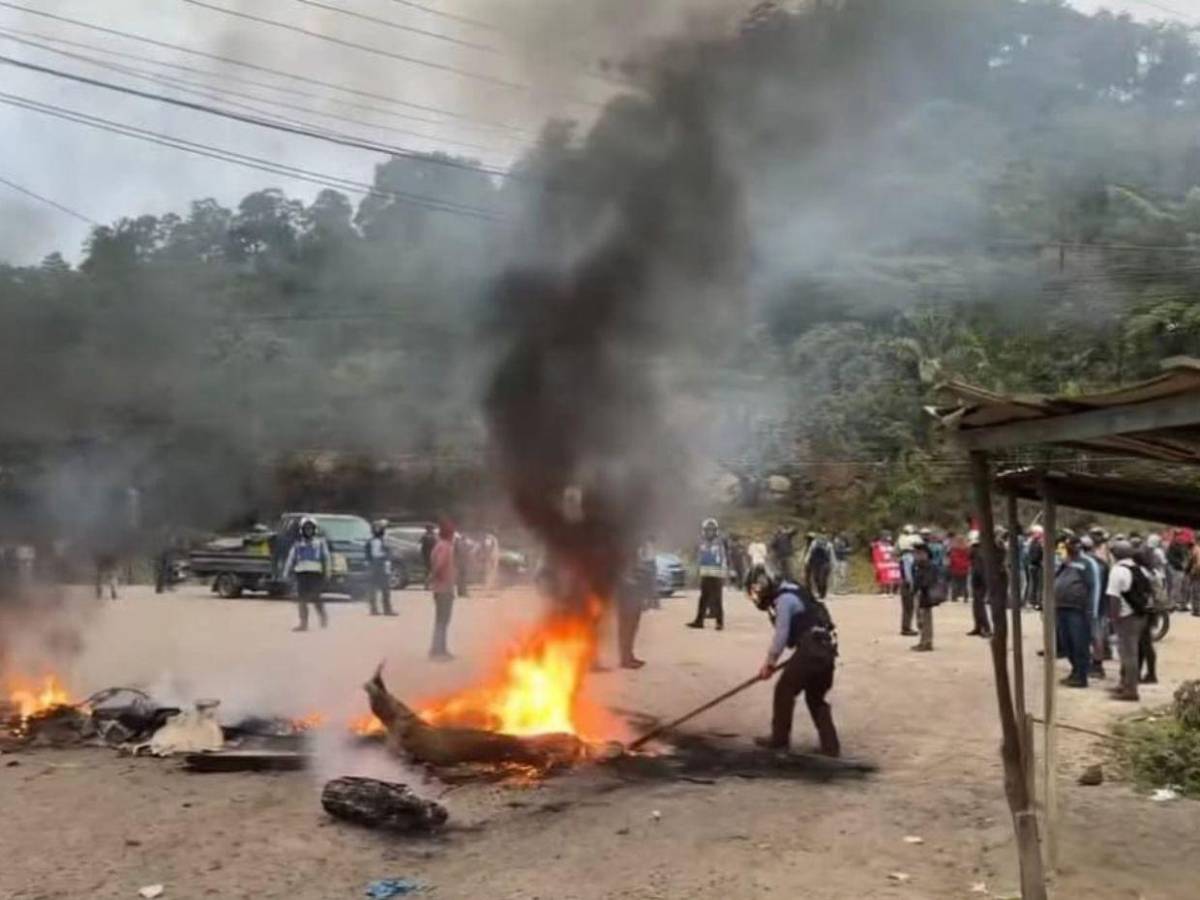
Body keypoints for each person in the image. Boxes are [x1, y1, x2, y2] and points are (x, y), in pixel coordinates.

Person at [749, 569, 840, 756]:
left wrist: (770, 663)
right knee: (815, 697)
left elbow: (781, 635)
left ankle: (779, 740)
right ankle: (831, 746)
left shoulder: (784, 601)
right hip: (826, 649)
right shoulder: (796, 591)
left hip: (811, 647)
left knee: (784, 689)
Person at [1106, 539, 1153, 702]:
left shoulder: (1117, 570)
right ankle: (1124, 684)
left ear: (1115, 554)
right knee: (1132, 652)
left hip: (1126, 617)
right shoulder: (1140, 569)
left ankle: (1131, 690)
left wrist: (1113, 619)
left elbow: (1114, 598)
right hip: (1141, 615)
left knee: (1128, 654)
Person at [1055, 536, 1095, 688]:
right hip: (1061, 607)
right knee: (1067, 643)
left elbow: (1093, 586)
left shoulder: (1086, 563)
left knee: (1079, 643)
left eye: (1074, 545)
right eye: (1069, 545)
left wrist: (1092, 609)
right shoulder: (1066, 563)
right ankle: (1074, 671)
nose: (1071, 547)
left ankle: (1081, 676)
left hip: (1078, 609)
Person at [282, 516, 332, 632]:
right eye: (306, 529)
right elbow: (291, 559)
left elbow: (326, 558)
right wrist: (286, 572)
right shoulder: (297, 545)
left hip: (315, 574)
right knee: (302, 600)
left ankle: (322, 616)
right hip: (301, 574)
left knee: (316, 597)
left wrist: (327, 572)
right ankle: (303, 623)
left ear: (314, 530)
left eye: (310, 529)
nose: (308, 531)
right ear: (302, 530)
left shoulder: (320, 543)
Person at [689, 518, 727, 630]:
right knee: (703, 599)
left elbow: (724, 558)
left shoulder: (720, 541)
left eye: (712, 530)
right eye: (707, 530)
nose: (709, 532)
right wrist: (697, 571)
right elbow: (699, 558)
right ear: (704, 530)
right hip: (705, 574)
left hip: (717, 574)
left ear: (716, 530)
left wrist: (726, 572)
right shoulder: (702, 542)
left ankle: (719, 623)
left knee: (717, 599)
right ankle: (699, 621)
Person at [617, 544, 650, 669]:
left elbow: (636, 570)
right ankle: (625, 658)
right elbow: (622, 575)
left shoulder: (635, 551)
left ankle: (629, 656)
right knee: (626, 628)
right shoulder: (623, 552)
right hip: (627, 595)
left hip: (633, 594)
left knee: (632, 628)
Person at [1080, 536, 1108, 678]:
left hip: (1093, 606)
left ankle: (1097, 666)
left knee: (1094, 636)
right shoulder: (1102, 563)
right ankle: (1095, 664)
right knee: (1097, 636)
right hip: (1101, 605)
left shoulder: (1088, 564)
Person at [429, 521, 457, 660]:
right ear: (450, 534)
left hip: (439, 588)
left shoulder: (438, 546)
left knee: (440, 621)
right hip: (444, 589)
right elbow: (439, 565)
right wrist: (438, 578)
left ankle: (440, 649)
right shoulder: (446, 547)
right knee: (443, 621)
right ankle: (438, 651)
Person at [910, 541, 940, 651]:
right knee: (920, 620)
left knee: (925, 619)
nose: (915, 555)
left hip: (926, 595)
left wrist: (920, 587)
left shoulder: (929, 566)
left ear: (925, 554)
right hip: (919, 594)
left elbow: (928, 581)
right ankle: (923, 640)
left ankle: (927, 642)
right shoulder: (918, 566)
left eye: (918, 553)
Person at [365, 519, 396, 617]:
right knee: (375, 588)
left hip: (379, 564)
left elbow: (388, 554)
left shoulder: (381, 541)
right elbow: (368, 556)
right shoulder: (371, 542)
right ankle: (376, 609)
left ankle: (384, 609)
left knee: (383, 589)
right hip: (376, 564)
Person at [966, 531, 993, 637]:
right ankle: (978, 626)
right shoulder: (978, 550)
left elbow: (980, 567)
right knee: (976, 604)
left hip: (980, 579)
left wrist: (979, 579)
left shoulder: (979, 551)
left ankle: (986, 628)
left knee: (979, 605)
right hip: (977, 578)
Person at [897, 528, 919, 637]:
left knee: (907, 607)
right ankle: (906, 628)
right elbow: (908, 572)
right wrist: (911, 584)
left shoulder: (903, 556)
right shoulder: (908, 557)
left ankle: (906, 626)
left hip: (904, 583)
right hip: (907, 584)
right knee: (908, 607)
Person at [803, 532, 833, 600]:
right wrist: (806, 560)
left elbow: (831, 555)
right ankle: (820, 592)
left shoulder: (829, 544)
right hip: (816, 563)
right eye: (822, 534)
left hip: (824, 563)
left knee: (822, 579)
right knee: (816, 578)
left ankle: (822, 593)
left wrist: (832, 564)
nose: (823, 536)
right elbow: (810, 552)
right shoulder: (815, 543)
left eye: (824, 534)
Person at [1026, 524, 1045, 610]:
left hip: (1033, 565)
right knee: (1037, 585)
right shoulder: (1036, 543)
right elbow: (1036, 555)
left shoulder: (1032, 542)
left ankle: (1033, 601)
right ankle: (1036, 602)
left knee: (1034, 585)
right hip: (1036, 566)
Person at [948, 532, 970, 604]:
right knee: (964, 583)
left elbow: (951, 559)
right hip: (964, 569)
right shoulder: (966, 549)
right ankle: (966, 597)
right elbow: (969, 558)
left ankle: (954, 597)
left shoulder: (954, 549)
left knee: (955, 583)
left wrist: (950, 566)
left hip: (955, 568)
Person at [419, 524, 437, 589]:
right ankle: (429, 584)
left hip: (427, 555)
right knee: (432, 570)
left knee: (428, 570)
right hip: (432, 555)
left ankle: (427, 585)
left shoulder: (424, 536)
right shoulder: (434, 536)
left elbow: (421, 545)